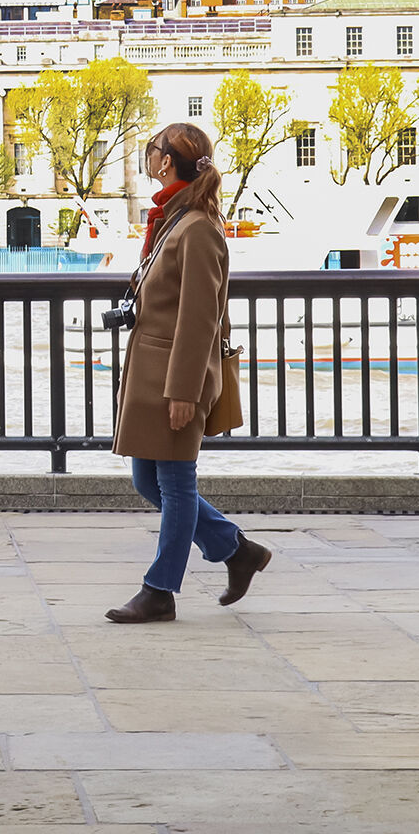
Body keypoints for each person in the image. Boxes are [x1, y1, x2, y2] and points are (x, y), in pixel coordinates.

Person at [106, 122, 270, 623]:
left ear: (165, 161)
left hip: (174, 378)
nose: (147, 157)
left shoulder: (196, 227)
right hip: (150, 374)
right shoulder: (172, 219)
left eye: (152, 150)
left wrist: (183, 392)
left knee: (175, 486)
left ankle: (160, 590)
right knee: (147, 482)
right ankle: (236, 550)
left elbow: (200, 319)